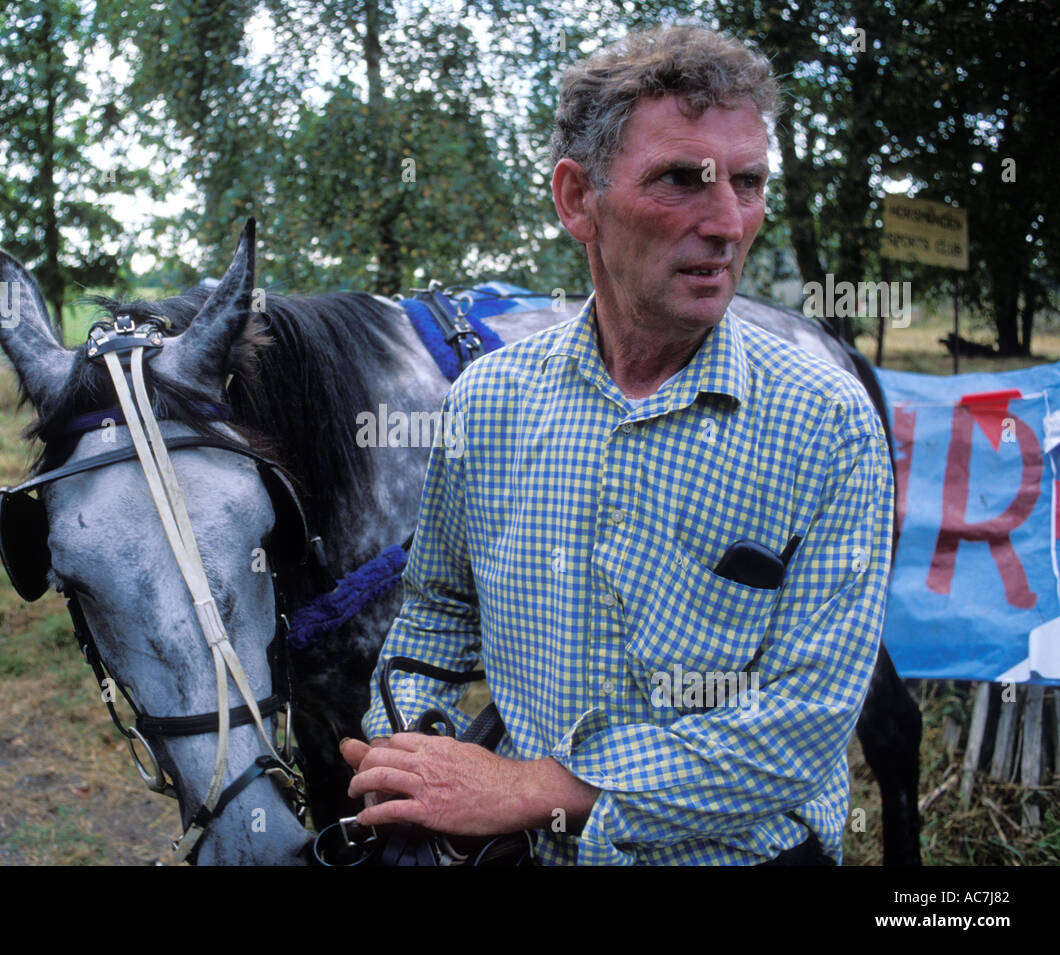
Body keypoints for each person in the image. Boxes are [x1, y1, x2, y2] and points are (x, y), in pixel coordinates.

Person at [340, 24, 894, 865]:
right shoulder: (489, 399)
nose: (728, 222)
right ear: (576, 199)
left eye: (749, 182)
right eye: (683, 180)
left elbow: (800, 727)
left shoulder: (827, 420)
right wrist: (412, 745)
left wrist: (526, 791)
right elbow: (438, 610)